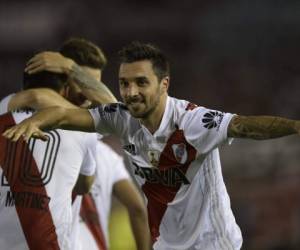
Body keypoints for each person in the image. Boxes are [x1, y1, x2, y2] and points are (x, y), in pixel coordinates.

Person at [4, 41, 300, 250]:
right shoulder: (122, 118)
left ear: (164, 84)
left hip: (210, 242)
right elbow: (68, 113)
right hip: (167, 244)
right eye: (124, 84)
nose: (131, 92)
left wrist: (297, 126)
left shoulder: (194, 121)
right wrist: (39, 121)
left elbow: (246, 125)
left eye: (141, 83)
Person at [5, 37, 151, 250]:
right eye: (79, 82)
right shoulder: (16, 119)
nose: (87, 95)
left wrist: (70, 68)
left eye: (90, 85)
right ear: (62, 81)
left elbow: (123, 118)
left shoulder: (96, 144)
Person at [0, 71, 97, 250]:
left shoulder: (3, 112)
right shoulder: (82, 130)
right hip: (52, 244)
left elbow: (34, 95)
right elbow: (84, 187)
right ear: (65, 90)